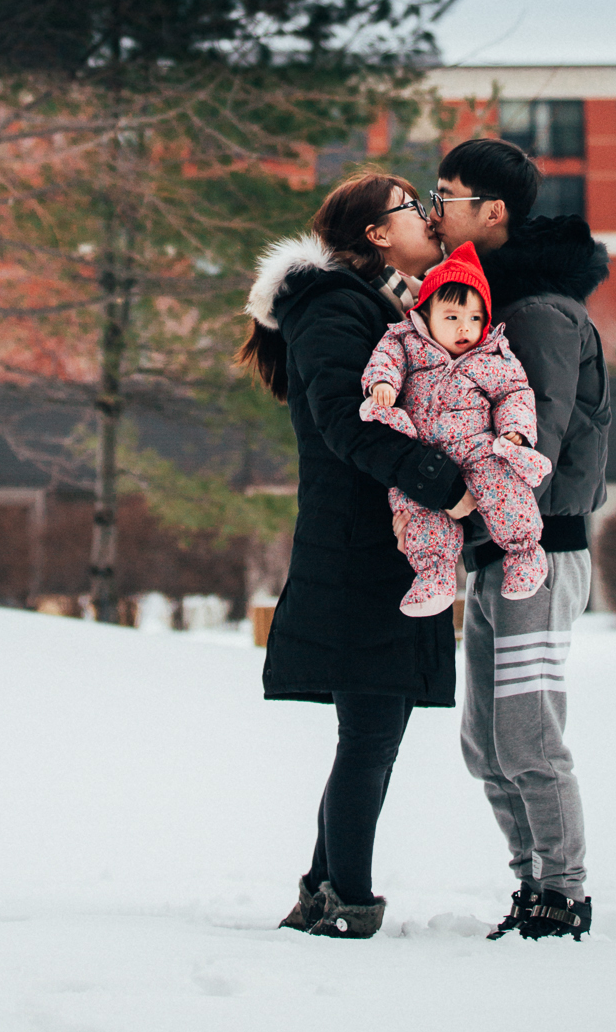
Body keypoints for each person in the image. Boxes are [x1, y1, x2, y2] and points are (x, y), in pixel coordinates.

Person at [238, 173, 470, 940]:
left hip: (379, 543)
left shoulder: (365, 303)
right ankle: (346, 902)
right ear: (375, 232)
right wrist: (437, 479)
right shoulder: (334, 307)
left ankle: (323, 890)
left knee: (373, 724)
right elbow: (345, 419)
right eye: (413, 208)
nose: (429, 218)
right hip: (362, 551)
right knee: (373, 726)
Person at [425, 137, 610, 945]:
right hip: (498, 552)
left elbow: (533, 439)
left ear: (491, 213)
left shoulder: (536, 312)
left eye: (447, 197)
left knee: (528, 733)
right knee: (486, 741)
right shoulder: (492, 305)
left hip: (538, 550)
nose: (436, 212)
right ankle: (531, 883)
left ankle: (560, 894)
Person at [359, 241, 550, 615]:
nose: (465, 327)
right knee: (420, 512)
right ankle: (435, 577)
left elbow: (515, 394)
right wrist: (382, 384)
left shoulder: (493, 356)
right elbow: (385, 360)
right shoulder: (405, 342)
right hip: (425, 455)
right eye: (452, 317)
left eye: (476, 318)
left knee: (506, 490)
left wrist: (515, 431)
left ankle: (525, 553)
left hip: (478, 450)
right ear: (426, 314)